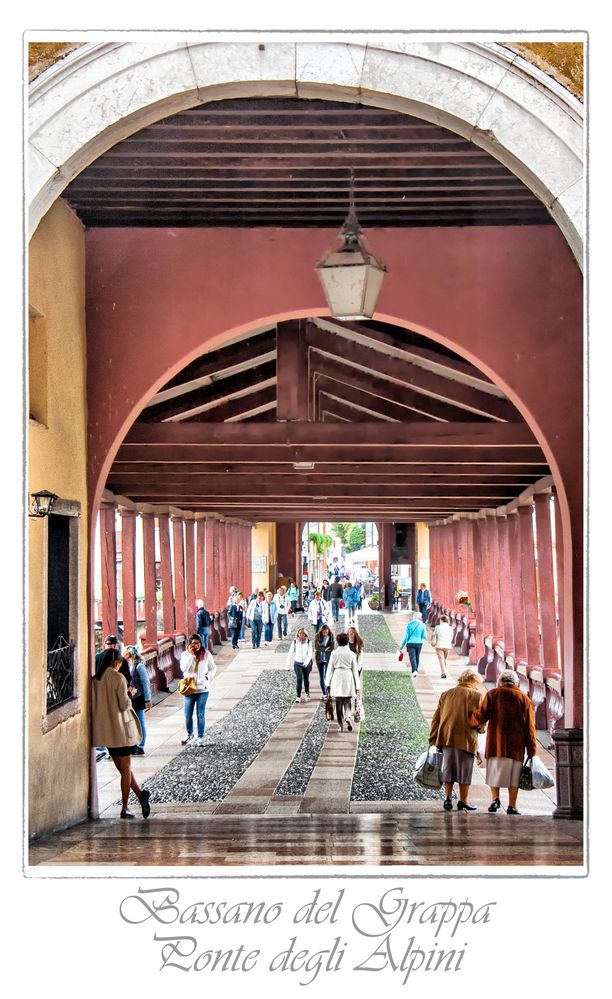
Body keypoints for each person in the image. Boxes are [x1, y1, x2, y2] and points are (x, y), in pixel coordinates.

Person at [91, 648, 151, 820]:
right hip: (121, 730)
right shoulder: (119, 678)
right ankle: (125, 808)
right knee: (126, 769)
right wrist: (129, 695)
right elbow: (124, 705)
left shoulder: (95, 680)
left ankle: (141, 795)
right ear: (116, 662)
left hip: (107, 732)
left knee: (122, 769)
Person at [471, 668, 538, 815]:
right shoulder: (524, 699)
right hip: (516, 746)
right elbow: (530, 727)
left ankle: (495, 799)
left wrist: (469, 719)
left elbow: (481, 716)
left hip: (496, 743)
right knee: (514, 776)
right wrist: (532, 749)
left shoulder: (492, 694)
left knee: (494, 773)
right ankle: (512, 806)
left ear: (500, 682)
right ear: (516, 683)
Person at [429, 669, 484, 811]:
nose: (477, 686)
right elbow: (479, 719)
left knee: (448, 768)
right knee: (465, 770)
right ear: (472, 681)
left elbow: (436, 718)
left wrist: (433, 739)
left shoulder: (446, 694)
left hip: (446, 737)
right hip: (465, 738)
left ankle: (447, 798)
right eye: (476, 683)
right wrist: (481, 729)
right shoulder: (476, 695)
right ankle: (463, 801)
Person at [95, 634, 131, 761]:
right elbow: (124, 702)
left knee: (117, 756)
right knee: (125, 760)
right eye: (108, 644)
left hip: (101, 707)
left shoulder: (97, 659)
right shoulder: (118, 674)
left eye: (110, 644)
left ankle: (101, 749)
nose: (109, 647)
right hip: (117, 713)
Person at [179, 634, 217, 747]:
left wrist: (208, 677)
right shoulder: (185, 655)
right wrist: (191, 656)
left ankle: (200, 737)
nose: (195, 645)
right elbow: (184, 668)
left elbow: (213, 668)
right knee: (187, 714)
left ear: (201, 643)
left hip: (203, 689)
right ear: (189, 645)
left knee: (200, 714)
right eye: (193, 643)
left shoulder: (206, 654)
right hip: (189, 689)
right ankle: (189, 733)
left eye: (197, 643)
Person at [325, 632, 360, 733]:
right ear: (347, 641)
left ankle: (340, 726)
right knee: (347, 701)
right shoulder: (351, 654)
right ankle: (348, 717)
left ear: (337, 641)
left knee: (338, 704)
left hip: (337, 677)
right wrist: (357, 685)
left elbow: (330, 669)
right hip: (348, 677)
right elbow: (355, 671)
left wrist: (327, 682)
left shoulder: (334, 653)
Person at [125, 644, 152, 755]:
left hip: (139, 697)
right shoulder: (128, 666)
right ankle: (134, 744)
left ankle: (141, 745)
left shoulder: (139, 666)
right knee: (132, 723)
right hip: (131, 697)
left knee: (140, 722)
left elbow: (146, 683)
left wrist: (148, 699)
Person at [286, 628, 314, 702]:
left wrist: (305, 663)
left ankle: (307, 693)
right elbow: (290, 653)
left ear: (305, 635)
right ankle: (298, 696)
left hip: (306, 664)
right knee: (299, 679)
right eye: (300, 634)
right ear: (298, 634)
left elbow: (310, 654)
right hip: (297, 663)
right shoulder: (295, 642)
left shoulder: (309, 642)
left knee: (306, 679)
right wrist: (287, 665)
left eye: (303, 634)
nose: (301, 635)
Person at [399, 611, 427, 676]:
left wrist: (402, 645)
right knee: (417, 656)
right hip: (419, 643)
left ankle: (414, 671)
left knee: (412, 657)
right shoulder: (422, 625)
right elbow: (424, 636)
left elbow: (406, 637)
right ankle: (415, 670)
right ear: (419, 617)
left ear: (413, 617)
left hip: (410, 643)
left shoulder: (409, 625)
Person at [314, 624, 335, 698]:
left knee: (327, 675)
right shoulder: (317, 636)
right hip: (319, 658)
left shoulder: (331, 636)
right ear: (321, 632)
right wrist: (324, 649)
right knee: (321, 676)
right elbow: (316, 647)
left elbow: (332, 647)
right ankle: (324, 693)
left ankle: (328, 691)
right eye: (324, 632)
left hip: (328, 658)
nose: (325, 634)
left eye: (326, 632)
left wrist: (322, 647)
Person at [431, 614, 454, 678]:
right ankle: (444, 671)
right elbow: (451, 637)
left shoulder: (438, 627)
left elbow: (434, 635)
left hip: (439, 645)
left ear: (441, 620)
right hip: (447, 646)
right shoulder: (450, 628)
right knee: (444, 659)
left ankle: (444, 673)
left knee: (441, 659)